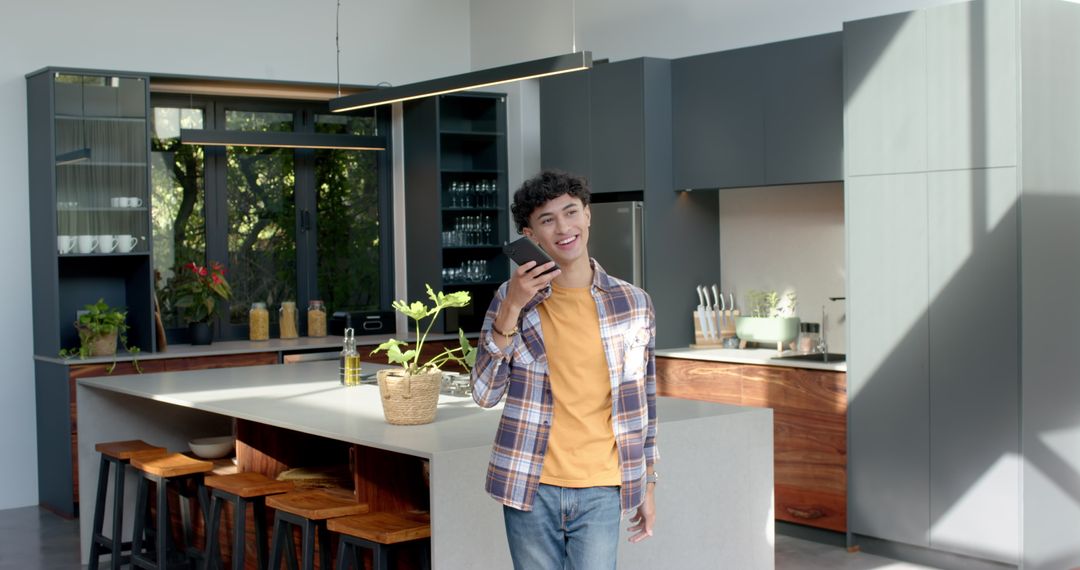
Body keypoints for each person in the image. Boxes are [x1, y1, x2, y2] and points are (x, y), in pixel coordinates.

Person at [471, 170, 659, 569]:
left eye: (570, 212)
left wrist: (648, 483)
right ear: (530, 234)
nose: (563, 228)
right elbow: (485, 393)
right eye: (547, 220)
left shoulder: (634, 302)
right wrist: (512, 308)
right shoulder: (512, 298)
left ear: (588, 215)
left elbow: (644, 402)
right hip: (530, 484)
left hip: (603, 487)